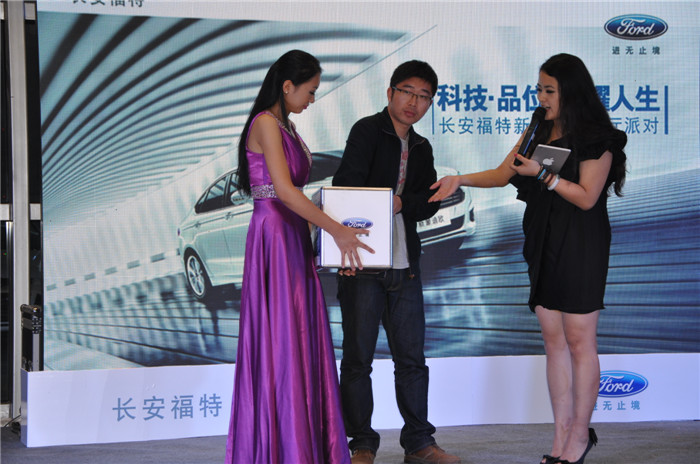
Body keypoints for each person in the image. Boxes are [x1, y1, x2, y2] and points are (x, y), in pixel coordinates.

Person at [429, 53, 627, 464]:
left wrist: (543, 174)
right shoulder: (538, 127)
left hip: (581, 242)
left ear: (571, 91)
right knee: (553, 341)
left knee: (579, 339)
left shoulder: (598, 137)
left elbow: (587, 197)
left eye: (549, 90)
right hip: (543, 238)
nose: (541, 97)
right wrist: (459, 179)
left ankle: (580, 435)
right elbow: (504, 173)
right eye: (539, 89)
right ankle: (560, 436)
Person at [225, 50, 373, 464]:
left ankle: (301, 444)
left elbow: (297, 196)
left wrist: (327, 233)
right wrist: (336, 229)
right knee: (282, 339)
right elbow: (285, 193)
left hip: (292, 234)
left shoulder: (287, 126)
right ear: (287, 86)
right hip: (274, 234)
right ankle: (285, 448)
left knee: (299, 335)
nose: (312, 99)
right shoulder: (265, 123)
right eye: (310, 91)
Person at [333, 60, 461, 464]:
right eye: (407, 92)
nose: (414, 102)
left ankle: (420, 443)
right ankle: (361, 444)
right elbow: (345, 187)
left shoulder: (422, 146)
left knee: (412, 361)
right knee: (358, 360)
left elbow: (427, 202)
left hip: (405, 266)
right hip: (363, 265)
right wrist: (346, 250)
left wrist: (403, 202)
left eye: (424, 97)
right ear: (390, 93)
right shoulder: (366, 131)